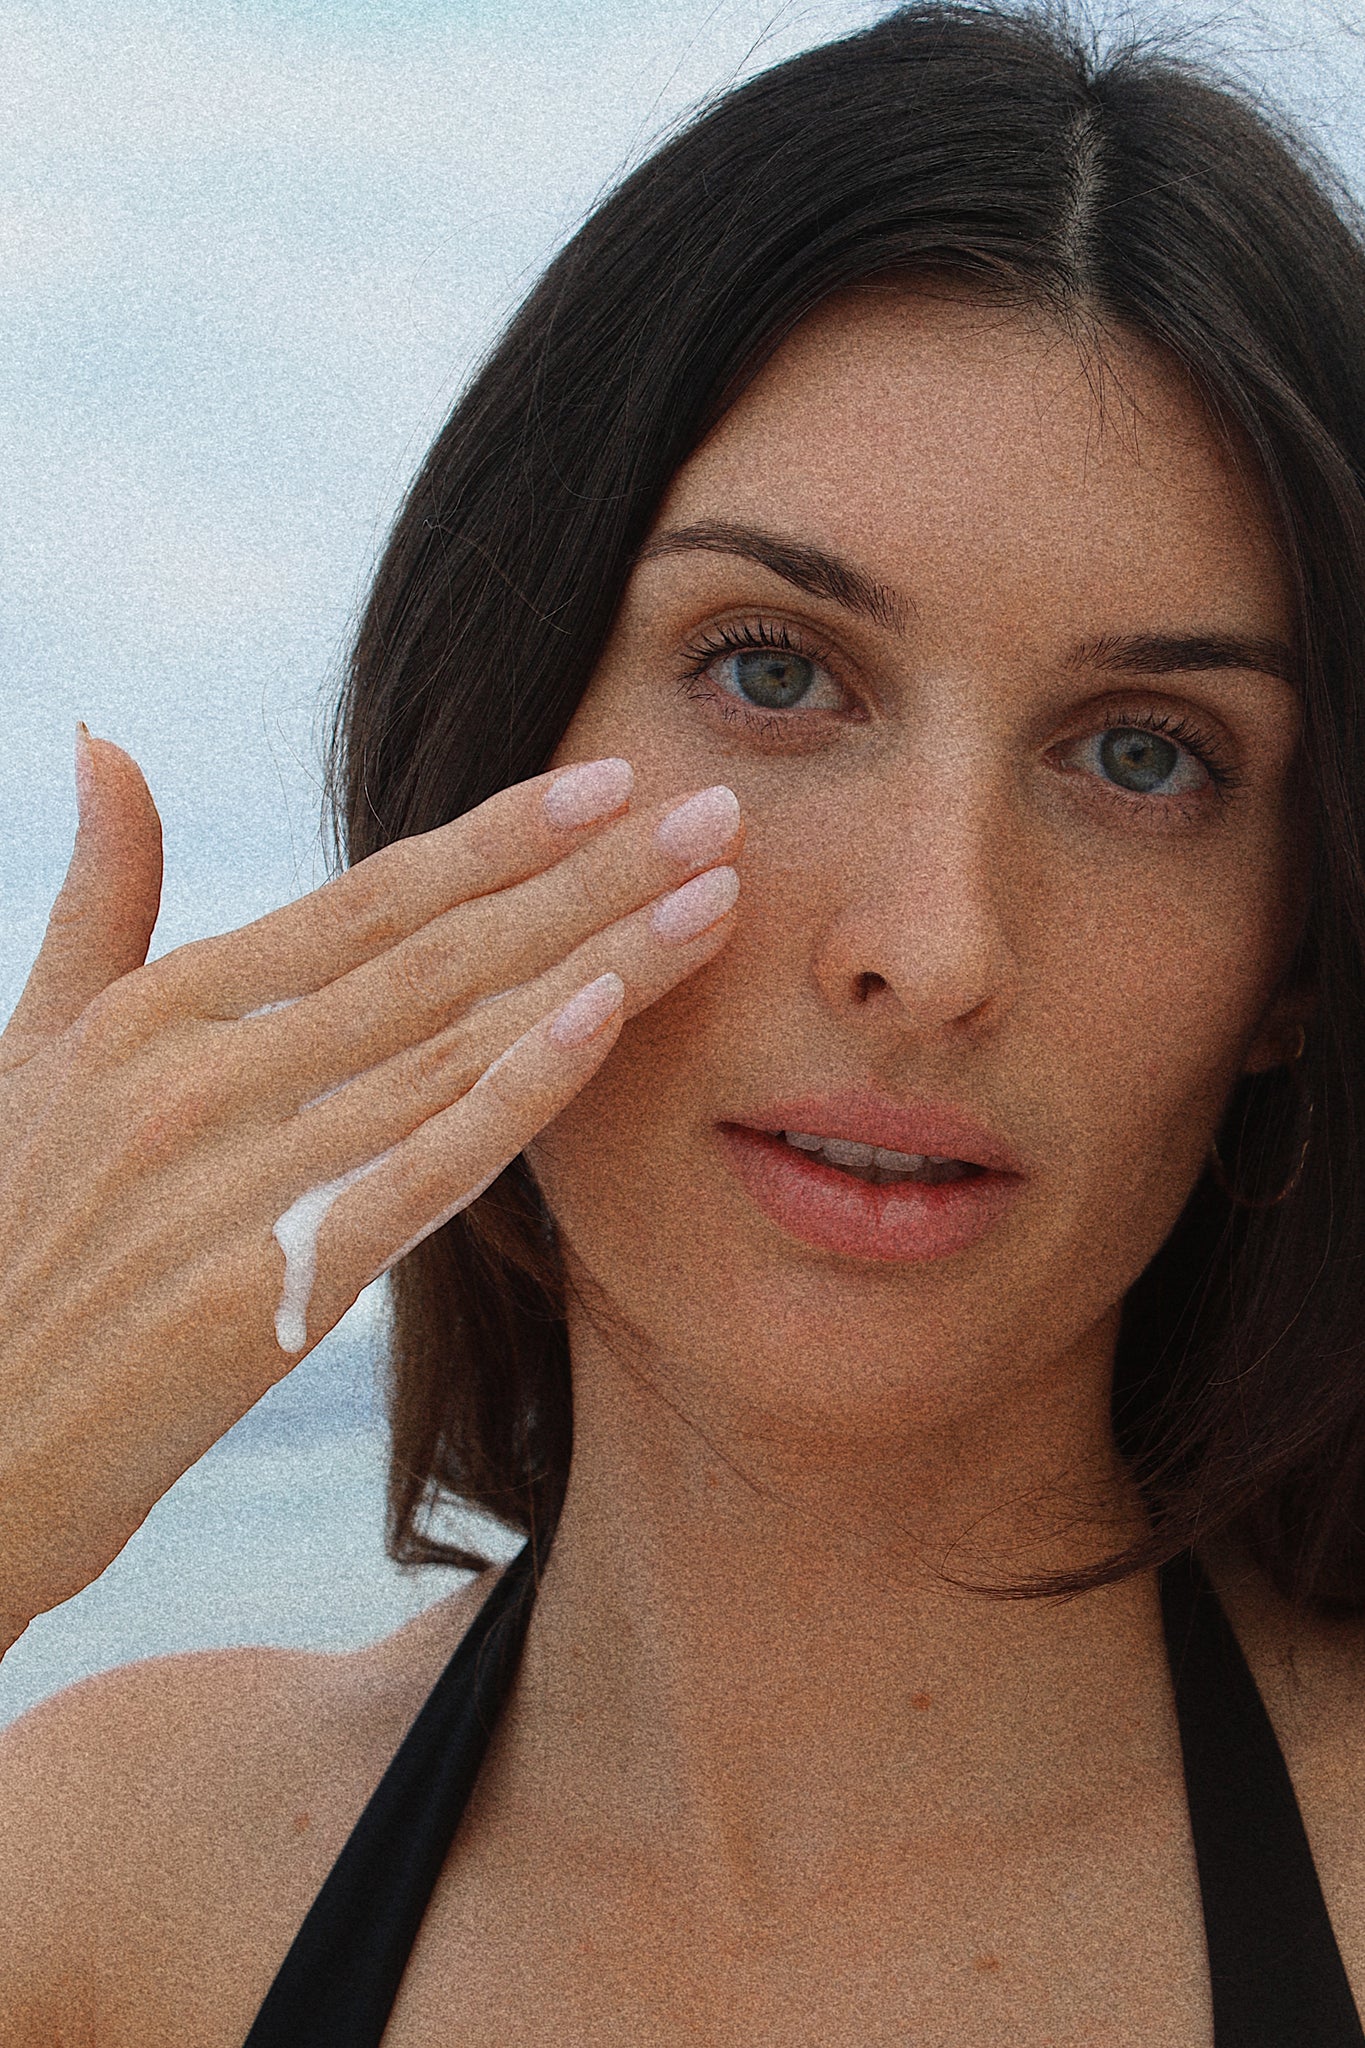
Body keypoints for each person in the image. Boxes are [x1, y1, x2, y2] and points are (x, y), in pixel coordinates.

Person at [3, 0, 1365, 2039]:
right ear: (490, 745)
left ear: (1290, 965)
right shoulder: (109, 1884)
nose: (929, 944)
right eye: (772, 669)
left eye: (1145, 757)